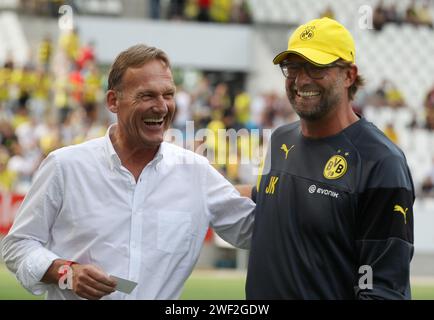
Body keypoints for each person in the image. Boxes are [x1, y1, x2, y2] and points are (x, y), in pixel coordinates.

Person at [1, 44, 255, 300]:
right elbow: (17, 246)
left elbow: (258, 231)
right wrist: (66, 273)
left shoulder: (196, 173)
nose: (162, 107)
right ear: (113, 101)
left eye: (168, 95)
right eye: (146, 96)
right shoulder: (65, 166)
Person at [246, 17, 415, 299]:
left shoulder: (381, 162)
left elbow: (383, 289)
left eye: (316, 67)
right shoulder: (280, 140)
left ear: (349, 75)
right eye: (293, 67)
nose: (301, 79)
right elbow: (268, 199)